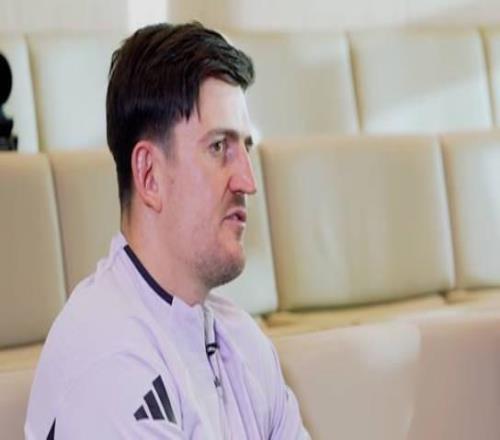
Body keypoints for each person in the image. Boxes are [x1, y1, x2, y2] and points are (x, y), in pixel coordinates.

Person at [25, 22, 309, 439]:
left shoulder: (243, 341)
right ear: (150, 175)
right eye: (219, 147)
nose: (248, 181)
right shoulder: (108, 358)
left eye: (245, 148)